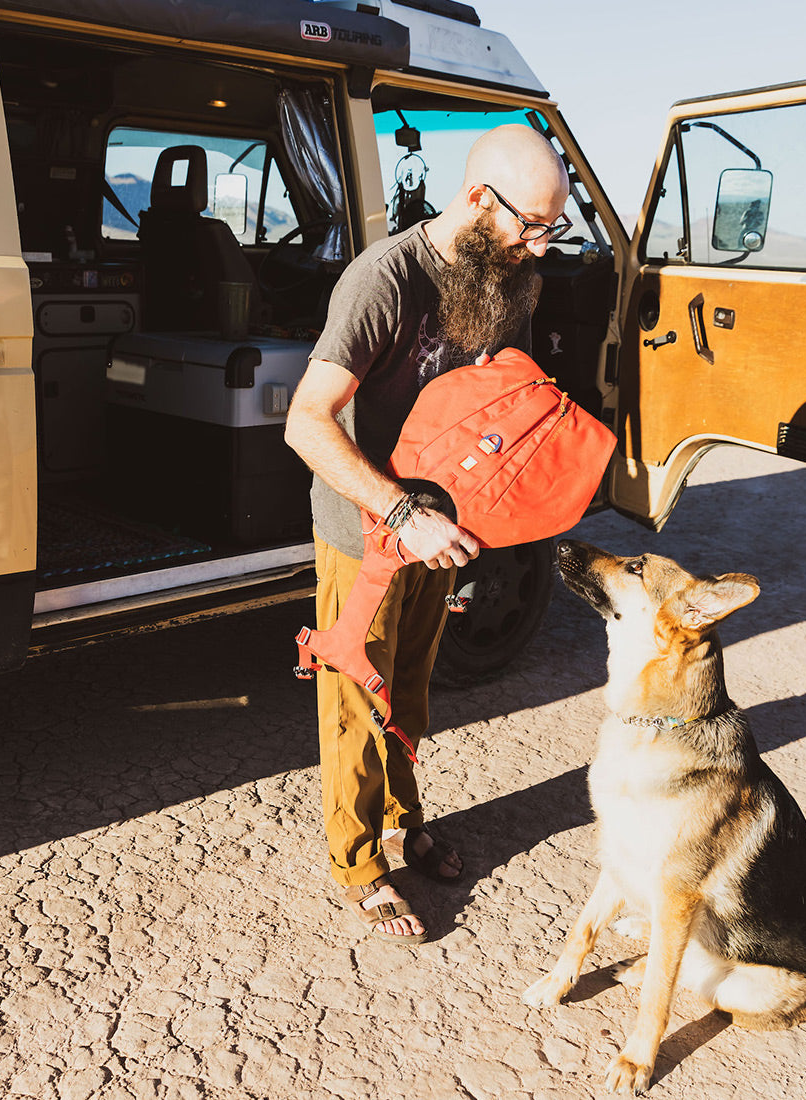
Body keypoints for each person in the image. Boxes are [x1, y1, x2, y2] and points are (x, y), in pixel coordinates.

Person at [284, 124, 571, 944]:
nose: (540, 246)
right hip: (369, 526)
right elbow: (307, 423)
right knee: (354, 693)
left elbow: (496, 403)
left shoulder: (508, 276)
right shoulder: (384, 279)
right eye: (529, 224)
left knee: (410, 684)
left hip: (442, 527)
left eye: (554, 227)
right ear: (479, 199)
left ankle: (407, 821)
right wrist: (402, 515)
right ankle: (357, 861)